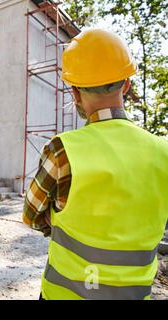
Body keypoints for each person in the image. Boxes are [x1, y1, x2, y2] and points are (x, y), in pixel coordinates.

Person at [22, 29, 168, 300]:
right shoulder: (164, 152)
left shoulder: (62, 151)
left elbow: (31, 215)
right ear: (126, 85)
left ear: (75, 93)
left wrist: (59, 224)